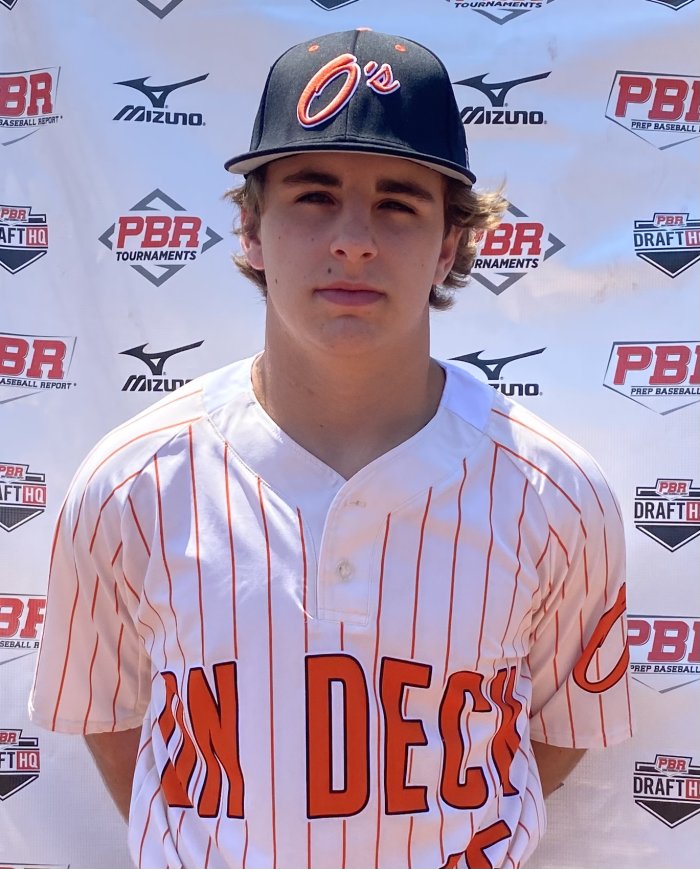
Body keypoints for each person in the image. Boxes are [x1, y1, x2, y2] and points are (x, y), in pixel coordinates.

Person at [30, 28, 633, 869]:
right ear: (251, 229)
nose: (353, 239)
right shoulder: (130, 484)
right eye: (314, 196)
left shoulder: (556, 493)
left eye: (398, 203)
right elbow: (109, 716)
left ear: (449, 244)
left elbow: (562, 731)